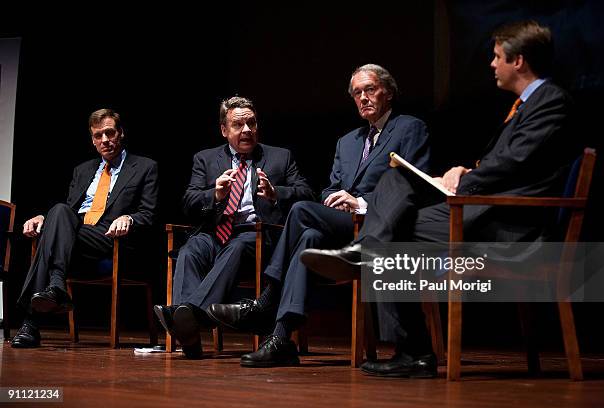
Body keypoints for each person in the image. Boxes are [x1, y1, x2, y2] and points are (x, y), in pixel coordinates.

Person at [300, 20, 578, 378]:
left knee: (392, 229)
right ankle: (378, 274)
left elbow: (515, 162)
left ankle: (411, 348)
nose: (492, 65)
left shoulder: (551, 101)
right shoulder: (527, 105)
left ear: (518, 60)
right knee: (395, 180)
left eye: (497, 57)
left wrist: (464, 178)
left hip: (513, 227)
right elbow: (510, 163)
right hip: (486, 212)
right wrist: (458, 176)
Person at [206, 64, 431, 367]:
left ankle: (267, 303)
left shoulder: (409, 127)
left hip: (381, 223)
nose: (363, 97)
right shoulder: (347, 142)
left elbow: (415, 183)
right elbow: (329, 189)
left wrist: (360, 202)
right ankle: (282, 338)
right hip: (343, 225)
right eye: (357, 93)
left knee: (300, 211)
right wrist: (334, 201)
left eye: (370, 89)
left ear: (388, 92)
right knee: (308, 237)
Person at [154, 96, 314, 359]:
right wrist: (214, 195)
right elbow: (188, 201)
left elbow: (307, 194)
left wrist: (276, 193)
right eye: (239, 125)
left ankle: (190, 318)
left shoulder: (279, 157)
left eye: (251, 123)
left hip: (257, 236)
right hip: (214, 233)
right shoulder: (205, 159)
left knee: (237, 246)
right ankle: (190, 336)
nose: (247, 130)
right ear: (224, 130)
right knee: (190, 250)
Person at [11, 108, 159, 348]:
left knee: (52, 228)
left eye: (109, 133)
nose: (105, 140)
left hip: (111, 236)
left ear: (120, 133)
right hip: (79, 235)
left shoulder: (144, 167)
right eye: (98, 135)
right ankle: (54, 289)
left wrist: (129, 219)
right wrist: (43, 218)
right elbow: (68, 211)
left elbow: (148, 213)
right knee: (57, 211)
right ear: (92, 139)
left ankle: (30, 322)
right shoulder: (83, 170)